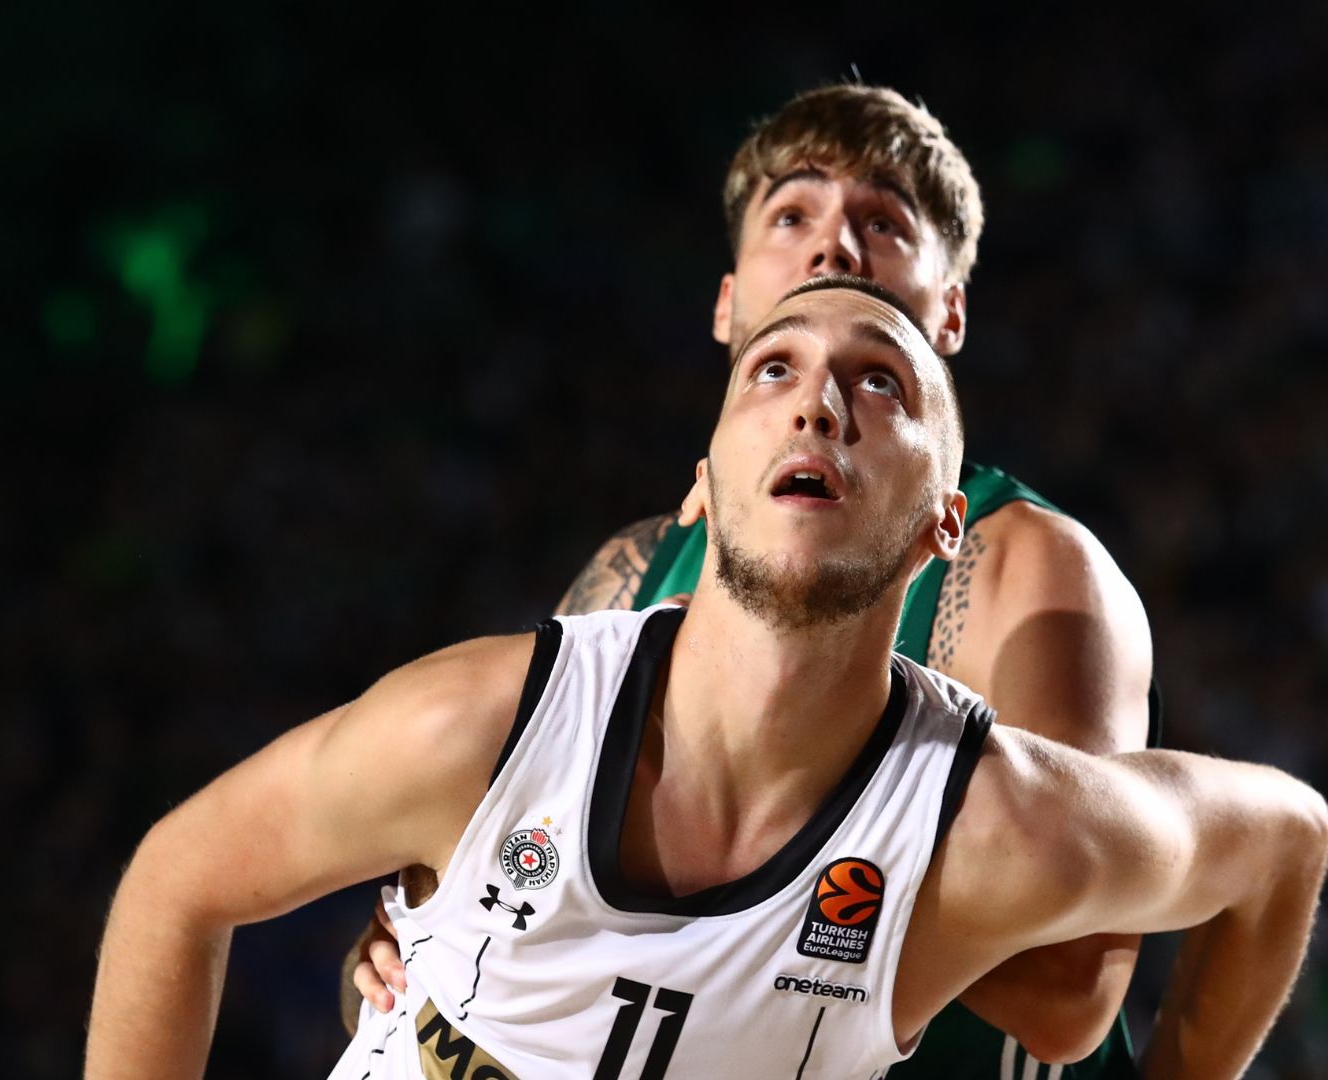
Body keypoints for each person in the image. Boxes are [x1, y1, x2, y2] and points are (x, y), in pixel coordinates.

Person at [87, 277, 1328, 1080]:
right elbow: (175, 885)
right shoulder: (479, 725)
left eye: (879, 382)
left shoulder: (980, 826)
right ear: (703, 486)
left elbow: (1287, 842)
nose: (818, 402)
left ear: (945, 525)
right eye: (771, 369)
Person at [347, 84, 1158, 1077]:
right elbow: (490, 881)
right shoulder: (635, 568)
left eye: (883, 223)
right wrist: (410, 938)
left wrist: (773, 903)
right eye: (791, 215)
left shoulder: (1025, 564)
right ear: (729, 302)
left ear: (950, 310)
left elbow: (1071, 985)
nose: (833, 247)